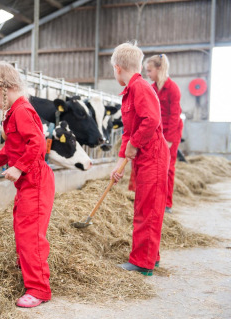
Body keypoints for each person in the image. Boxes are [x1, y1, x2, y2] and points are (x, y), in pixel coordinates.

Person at [0, 61, 55, 307]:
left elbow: (38, 144)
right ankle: (28, 269)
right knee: (23, 228)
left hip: (35, 180)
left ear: (1, 87)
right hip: (29, 182)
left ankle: (39, 289)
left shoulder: (22, 110)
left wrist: (18, 167)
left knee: (30, 234)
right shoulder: (15, 112)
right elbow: (12, 148)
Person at [110, 43, 170, 276]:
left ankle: (142, 263)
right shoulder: (130, 91)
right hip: (144, 156)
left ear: (117, 68)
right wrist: (119, 163)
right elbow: (128, 131)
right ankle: (150, 256)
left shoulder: (140, 87)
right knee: (146, 206)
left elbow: (151, 120)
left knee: (148, 209)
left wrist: (134, 144)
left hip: (153, 156)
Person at [145, 54, 183, 214]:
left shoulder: (172, 88)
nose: (148, 74)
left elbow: (175, 115)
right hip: (157, 132)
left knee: (168, 167)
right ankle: (155, 199)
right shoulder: (152, 88)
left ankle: (167, 203)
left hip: (171, 132)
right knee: (155, 167)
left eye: (150, 70)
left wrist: (169, 140)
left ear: (159, 69)